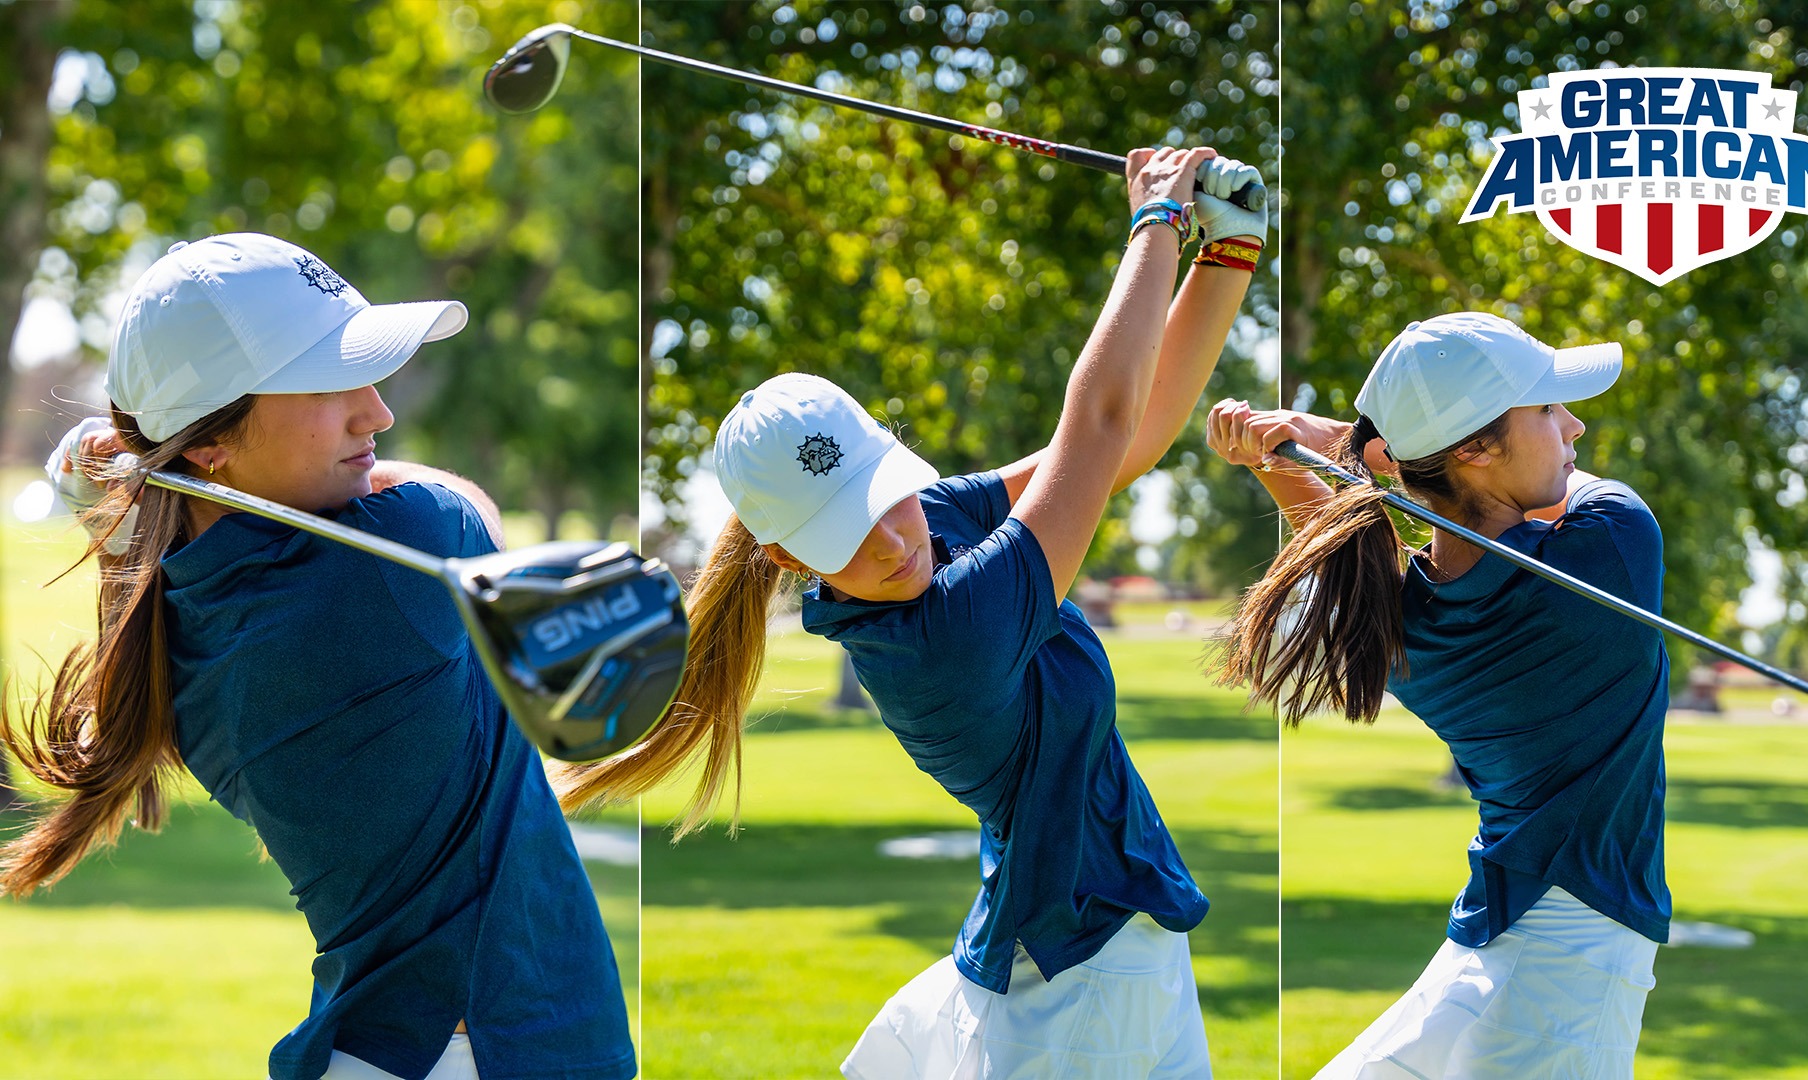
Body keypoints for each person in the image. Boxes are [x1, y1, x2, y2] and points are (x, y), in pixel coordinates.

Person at [550, 145, 1266, 1076]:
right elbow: (1095, 427)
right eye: (846, 533)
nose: (892, 542)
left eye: (881, 495)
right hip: (1082, 984)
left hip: (1084, 950)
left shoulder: (929, 522)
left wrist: (1228, 252)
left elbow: (1125, 443)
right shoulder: (943, 637)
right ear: (787, 558)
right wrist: (1157, 225)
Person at [2, 234, 636, 1080]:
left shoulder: (182, 618)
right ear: (209, 446)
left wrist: (131, 467)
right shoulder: (393, 568)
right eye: (326, 382)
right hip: (490, 1048)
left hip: (402, 1048)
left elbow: (179, 508)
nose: (376, 412)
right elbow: (466, 508)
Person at [1206, 312, 1668, 1079]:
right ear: (1479, 449)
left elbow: (1356, 529)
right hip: (1575, 965)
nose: (1575, 426)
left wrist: (1291, 457)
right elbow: (1557, 492)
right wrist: (1325, 441)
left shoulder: (1394, 623)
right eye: (1550, 409)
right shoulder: (1615, 547)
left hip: (1500, 934)